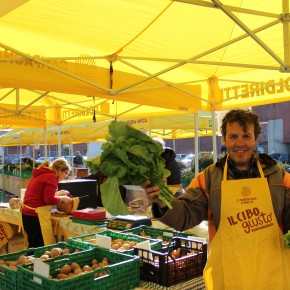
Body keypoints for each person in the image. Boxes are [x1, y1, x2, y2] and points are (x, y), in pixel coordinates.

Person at [143, 109, 290, 289]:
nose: (240, 143)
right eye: (233, 136)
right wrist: (162, 201)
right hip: (228, 273)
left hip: (272, 273)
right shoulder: (209, 178)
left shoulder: (278, 176)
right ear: (224, 139)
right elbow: (186, 214)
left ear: (255, 139)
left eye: (246, 136)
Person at [22, 158, 73, 248]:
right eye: (66, 174)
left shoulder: (42, 173)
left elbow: (41, 195)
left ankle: (30, 261)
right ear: (60, 170)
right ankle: (35, 262)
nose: (64, 177)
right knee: (40, 247)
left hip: (27, 214)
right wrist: (62, 198)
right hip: (35, 215)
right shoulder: (52, 176)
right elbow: (48, 199)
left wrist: (59, 194)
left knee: (33, 245)